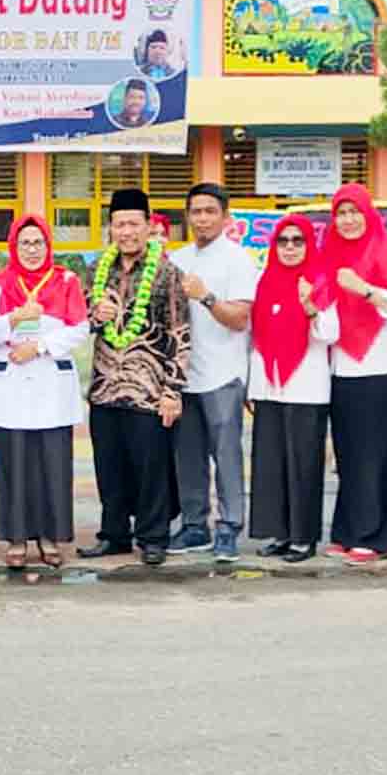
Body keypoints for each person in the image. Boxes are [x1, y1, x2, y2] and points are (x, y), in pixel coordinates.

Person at [79, 187, 191, 566]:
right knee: (109, 467)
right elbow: (77, 323)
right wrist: (95, 316)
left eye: (133, 223)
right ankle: (114, 535)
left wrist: (173, 390)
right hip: (105, 386)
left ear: (148, 226)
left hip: (149, 390)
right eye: (119, 224)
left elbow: (180, 332)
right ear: (110, 228)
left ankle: (153, 536)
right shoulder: (97, 270)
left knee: (151, 468)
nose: (125, 231)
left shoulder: (166, 272)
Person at [0, 215, 88, 570]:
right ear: (12, 245)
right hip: (10, 384)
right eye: (24, 243)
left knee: (51, 462)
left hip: (50, 383)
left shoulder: (66, 281)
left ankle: (50, 536)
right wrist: (14, 318)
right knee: (13, 462)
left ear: (48, 245)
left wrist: (38, 347)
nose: (31, 250)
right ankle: (16, 538)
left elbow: (79, 329)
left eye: (37, 242)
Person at [319, 183, 387, 563]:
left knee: (377, 453)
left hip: (383, 367)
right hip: (343, 367)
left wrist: (365, 290)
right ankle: (348, 529)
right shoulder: (330, 254)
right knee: (350, 453)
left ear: (368, 214)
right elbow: (326, 306)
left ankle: (376, 535)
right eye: (340, 213)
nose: (347, 220)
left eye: (354, 212)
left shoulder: (382, 251)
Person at [170, 183, 257, 559]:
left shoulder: (238, 260)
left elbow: (240, 319)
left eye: (210, 211)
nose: (202, 218)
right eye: (196, 211)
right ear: (187, 216)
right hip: (183, 376)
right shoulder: (176, 258)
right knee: (187, 457)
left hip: (223, 374)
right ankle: (194, 526)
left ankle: (229, 526)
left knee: (226, 456)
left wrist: (205, 296)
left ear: (225, 217)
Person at [247, 214, 339, 566]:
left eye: (297, 241)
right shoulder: (264, 280)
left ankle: (303, 537)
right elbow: (256, 338)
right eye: (283, 241)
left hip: (306, 387)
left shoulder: (319, 281)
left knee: (303, 465)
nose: (289, 248)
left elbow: (331, 333)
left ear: (308, 245)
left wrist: (311, 307)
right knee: (272, 464)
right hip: (270, 387)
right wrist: (254, 387)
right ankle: (281, 533)